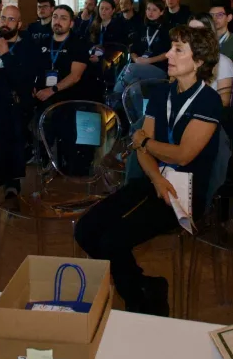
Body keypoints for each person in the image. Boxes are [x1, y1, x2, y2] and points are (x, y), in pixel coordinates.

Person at [75, 26, 221, 316]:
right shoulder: (162, 93)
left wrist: (145, 142)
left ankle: (141, 303)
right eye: (171, 47)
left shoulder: (208, 101)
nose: (168, 54)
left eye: (179, 50)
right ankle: (144, 287)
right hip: (153, 181)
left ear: (200, 61)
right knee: (86, 230)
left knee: (112, 240)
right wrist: (154, 176)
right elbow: (141, 150)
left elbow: (183, 153)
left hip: (184, 192)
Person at [0, 5, 40, 199]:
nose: (5, 23)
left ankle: (11, 182)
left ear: (19, 24)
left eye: (11, 20)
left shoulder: (28, 47)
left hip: (14, 102)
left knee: (6, 122)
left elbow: (23, 81)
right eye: (3, 18)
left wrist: (6, 55)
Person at [111, 0, 171, 101]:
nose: (150, 12)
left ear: (161, 12)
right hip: (139, 65)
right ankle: (136, 115)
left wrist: (148, 61)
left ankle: (113, 97)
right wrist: (136, 59)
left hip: (158, 68)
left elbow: (168, 53)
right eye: (148, 9)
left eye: (154, 10)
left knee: (131, 68)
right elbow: (133, 50)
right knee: (133, 85)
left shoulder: (167, 29)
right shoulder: (142, 27)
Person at [35, 5, 88, 110]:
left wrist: (52, 90)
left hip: (67, 98)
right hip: (41, 96)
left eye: (63, 18)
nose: (57, 21)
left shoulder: (79, 44)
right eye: (55, 17)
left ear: (71, 23)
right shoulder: (41, 42)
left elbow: (75, 76)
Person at [189, 13, 233, 106]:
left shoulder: (223, 62)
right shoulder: (182, 58)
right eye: (190, 31)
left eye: (199, 31)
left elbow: (224, 102)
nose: (193, 36)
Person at [208, 0, 233, 69]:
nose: (214, 19)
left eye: (219, 15)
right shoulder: (205, 40)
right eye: (211, 15)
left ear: (229, 17)